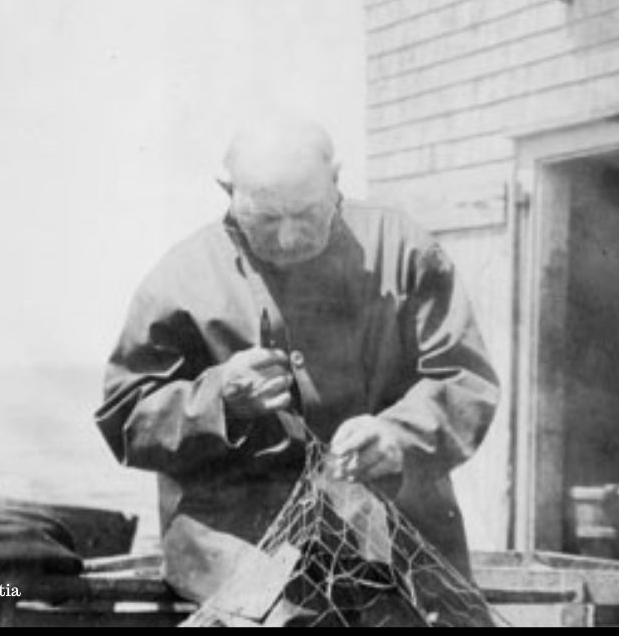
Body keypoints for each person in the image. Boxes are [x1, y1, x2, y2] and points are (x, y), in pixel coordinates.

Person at [95, 120, 500, 604]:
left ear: (336, 178)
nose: (289, 238)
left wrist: (399, 436)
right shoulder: (180, 280)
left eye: (307, 213)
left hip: (401, 542)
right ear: (227, 190)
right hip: (241, 555)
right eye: (266, 217)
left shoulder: (405, 250)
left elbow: (463, 378)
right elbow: (125, 417)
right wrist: (219, 401)